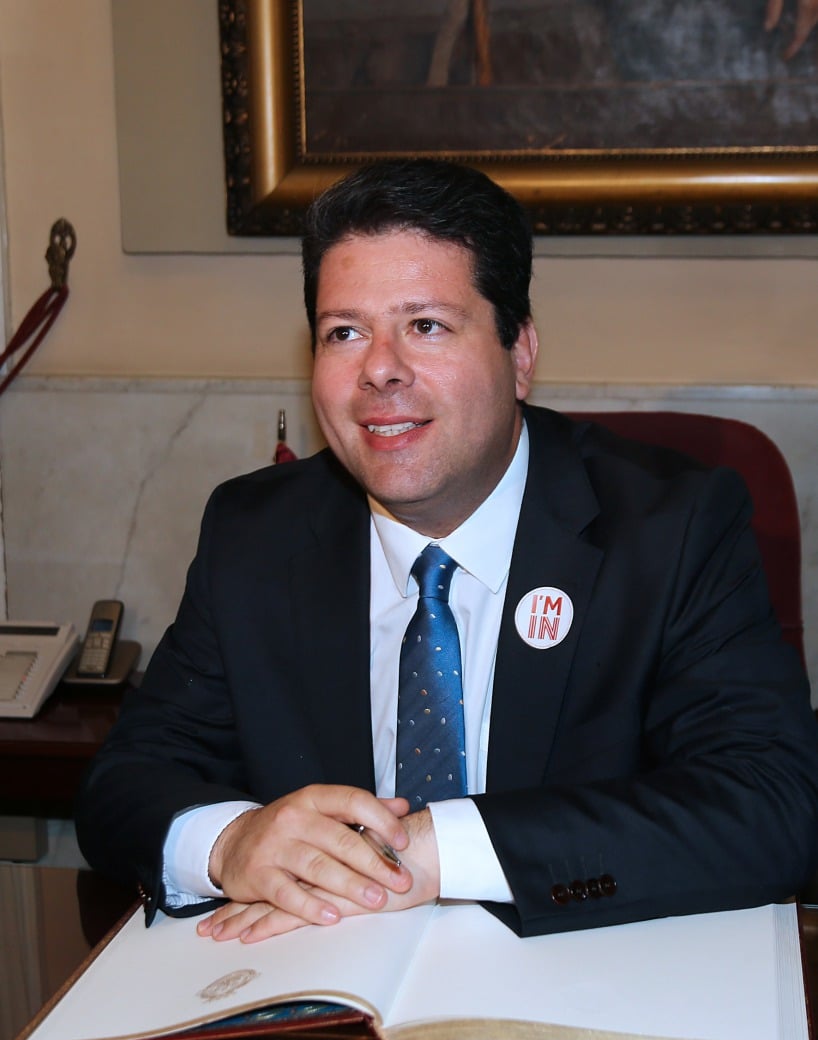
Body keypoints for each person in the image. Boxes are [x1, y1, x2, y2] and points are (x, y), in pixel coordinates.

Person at [75, 159, 818, 944]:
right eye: (344, 332)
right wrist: (231, 844)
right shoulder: (256, 534)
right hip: (323, 986)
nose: (380, 369)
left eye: (426, 325)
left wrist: (436, 852)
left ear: (519, 353)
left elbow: (771, 806)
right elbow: (123, 783)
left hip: (581, 987)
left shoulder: (671, 528)